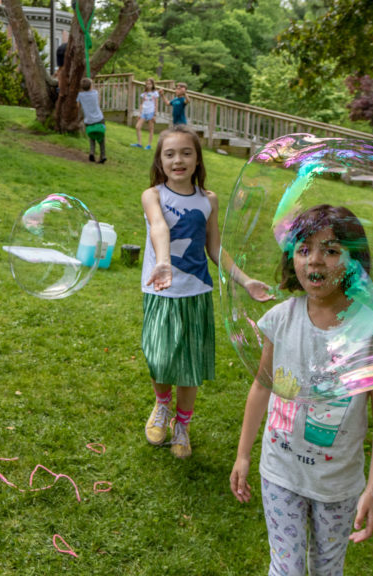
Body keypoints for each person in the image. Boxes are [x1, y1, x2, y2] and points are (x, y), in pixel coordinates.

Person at [230, 204, 373, 576]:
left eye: (331, 250)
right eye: (304, 250)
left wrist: (372, 488)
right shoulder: (282, 318)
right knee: (286, 569)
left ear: (354, 261)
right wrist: (243, 454)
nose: (314, 261)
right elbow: (263, 385)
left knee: (326, 570)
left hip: (337, 486)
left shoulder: (370, 332)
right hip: (280, 472)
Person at [140, 125, 270, 458]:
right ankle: (162, 405)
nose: (178, 160)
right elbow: (158, 227)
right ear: (160, 161)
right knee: (158, 357)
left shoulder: (207, 199)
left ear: (197, 160)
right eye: (169, 154)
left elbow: (215, 248)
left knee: (189, 364)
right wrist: (164, 262)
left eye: (186, 153)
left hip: (195, 292)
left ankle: (182, 425)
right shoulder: (153, 194)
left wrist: (245, 280)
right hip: (160, 290)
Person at [76, 77, 106, 164]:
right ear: (91, 86)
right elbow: (98, 100)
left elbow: (78, 106)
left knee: (92, 137)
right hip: (99, 119)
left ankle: (92, 152)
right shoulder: (95, 93)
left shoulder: (80, 95)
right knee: (101, 137)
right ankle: (103, 155)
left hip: (88, 121)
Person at [132, 78, 160, 149]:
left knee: (150, 129)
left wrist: (155, 115)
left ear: (153, 85)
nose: (148, 85)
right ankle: (139, 143)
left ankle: (149, 145)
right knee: (137, 127)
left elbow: (156, 104)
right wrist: (139, 113)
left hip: (151, 112)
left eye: (150, 84)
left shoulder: (155, 93)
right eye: (147, 84)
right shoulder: (144, 94)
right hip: (143, 112)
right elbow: (142, 104)